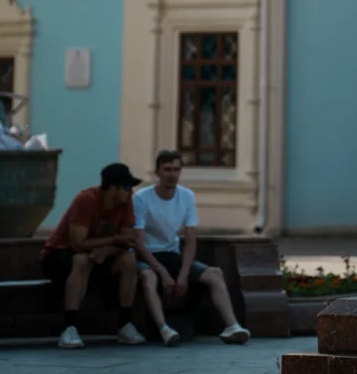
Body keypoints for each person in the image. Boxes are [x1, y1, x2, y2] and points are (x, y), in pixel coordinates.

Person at [132, 149, 250, 345]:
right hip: (149, 257)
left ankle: (232, 326)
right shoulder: (142, 198)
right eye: (167, 169)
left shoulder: (186, 196)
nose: (172, 174)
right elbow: (138, 242)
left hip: (172, 254)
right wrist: (163, 273)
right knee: (148, 277)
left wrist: (184, 275)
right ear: (157, 172)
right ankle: (164, 328)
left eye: (176, 169)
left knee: (214, 273)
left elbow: (190, 238)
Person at [41, 161, 146, 349]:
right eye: (127, 187)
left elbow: (128, 239)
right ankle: (69, 328)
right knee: (81, 260)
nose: (131, 192)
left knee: (128, 260)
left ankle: (125, 325)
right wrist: (111, 242)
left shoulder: (125, 202)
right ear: (113, 188)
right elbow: (78, 243)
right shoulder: (87, 200)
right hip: (58, 256)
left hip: (99, 256)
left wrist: (106, 249)